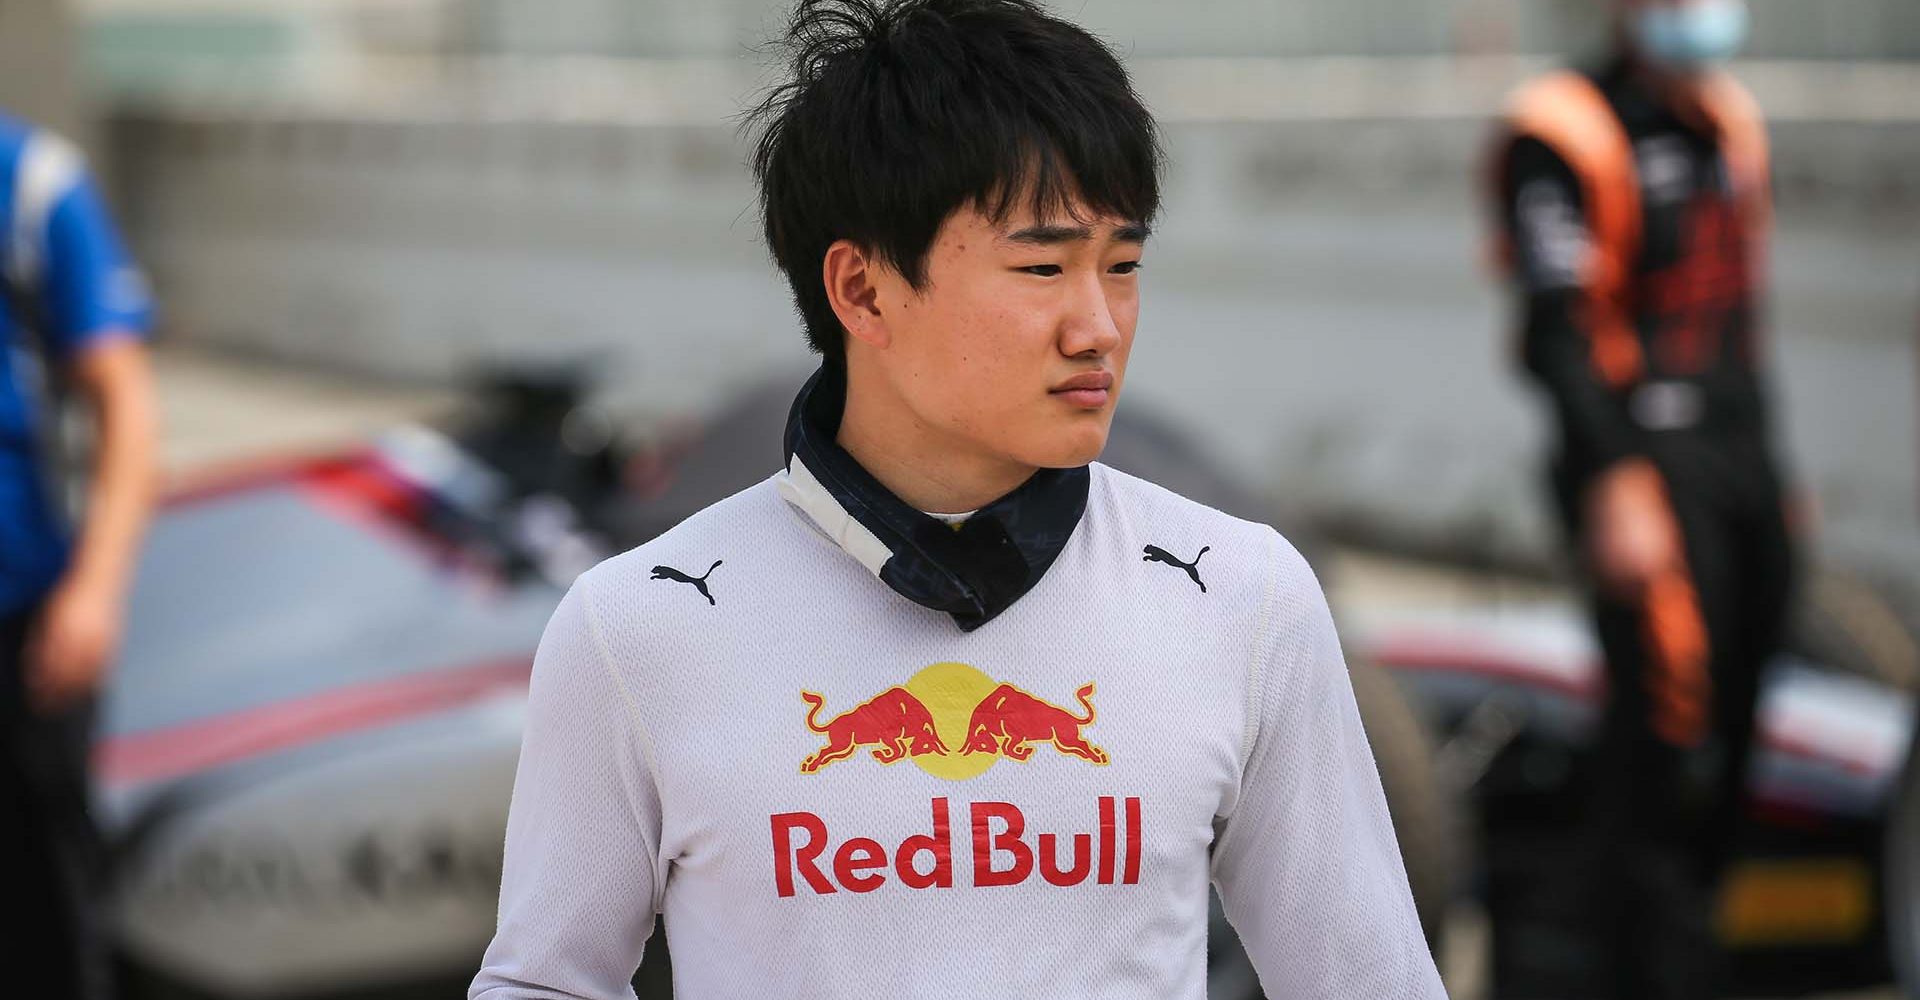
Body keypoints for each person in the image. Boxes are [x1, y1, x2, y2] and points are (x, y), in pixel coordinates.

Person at [471, 1, 1443, 996]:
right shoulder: (640, 626)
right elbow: (544, 983)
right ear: (862, 290)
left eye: (1124, 265)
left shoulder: (1243, 597)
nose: (1099, 326)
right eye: (1041, 267)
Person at [1486, 1, 1796, 997]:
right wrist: (1614, 477)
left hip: (1738, 454)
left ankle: (1690, 938)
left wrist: (1773, 473)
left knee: (1747, 702)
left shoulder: (1729, 120)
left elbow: (1742, 307)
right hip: (1639, 458)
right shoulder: (1562, 126)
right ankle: (1634, 964)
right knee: (1669, 714)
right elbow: (1554, 328)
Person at [0, 114, 159, 996]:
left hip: (22, 623)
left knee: (46, 917)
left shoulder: (32, 183)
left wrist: (94, 590)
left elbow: (124, 401)